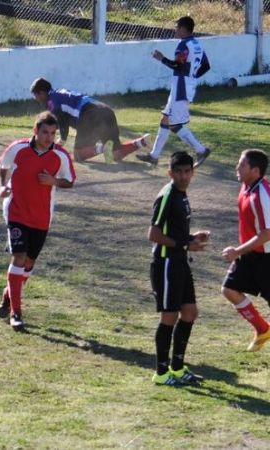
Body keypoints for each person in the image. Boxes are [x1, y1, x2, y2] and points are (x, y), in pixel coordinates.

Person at [0, 111, 76, 331]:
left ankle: (8, 295)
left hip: (42, 217)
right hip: (16, 212)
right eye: (45, 132)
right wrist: (2, 186)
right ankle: (17, 313)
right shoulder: (18, 148)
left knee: (29, 263)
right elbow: (3, 167)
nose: (48, 137)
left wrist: (53, 181)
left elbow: (69, 181)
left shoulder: (60, 155)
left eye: (52, 133)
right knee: (19, 257)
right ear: (35, 130)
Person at [147, 151, 209, 385]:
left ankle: (178, 368)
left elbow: (173, 231)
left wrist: (193, 236)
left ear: (193, 172)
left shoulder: (182, 195)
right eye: (179, 172)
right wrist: (186, 243)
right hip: (166, 264)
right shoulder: (167, 195)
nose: (184, 176)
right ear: (170, 173)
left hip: (180, 262)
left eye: (187, 171)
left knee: (190, 313)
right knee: (169, 317)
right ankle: (161, 373)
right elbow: (153, 234)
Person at [136, 16, 212, 167]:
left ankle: (201, 150)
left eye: (177, 27)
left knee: (174, 125)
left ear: (183, 28)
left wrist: (162, 59)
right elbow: (206, 66)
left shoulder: (183, 45)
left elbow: (178, 66)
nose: (175, 30)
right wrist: (192, 76)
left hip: (181, 89)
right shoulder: (197, 44)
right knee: (165, 120)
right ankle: (154, 156)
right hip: (184, 86)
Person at [30, 78, 149, 163]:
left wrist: (62, 139)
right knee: (115, 154)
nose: (37, 99)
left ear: (41, 92)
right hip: (106, 110)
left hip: (89, 115)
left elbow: (61, 121)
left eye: (36, 95)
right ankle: (140, 142)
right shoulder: (59, 93)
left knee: (78, 155)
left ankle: (103, 148)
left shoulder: (52, 101)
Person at [220, 149, 270, 352]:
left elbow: (268, 232)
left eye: (242, 165)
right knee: (229, 289)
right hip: (251, 254)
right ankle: (263, 329)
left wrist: (238, 250)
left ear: (255, 171)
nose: (236, 167)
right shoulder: (246, 186)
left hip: (267, 257)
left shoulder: (263, 195)